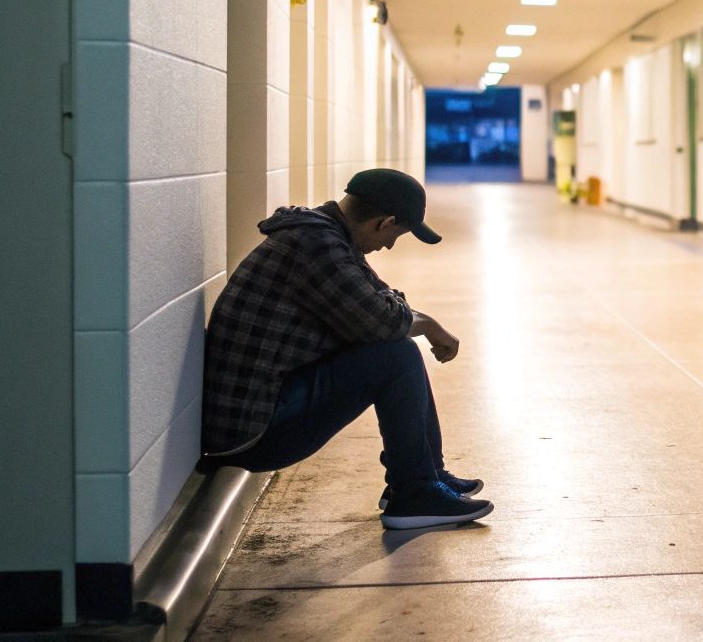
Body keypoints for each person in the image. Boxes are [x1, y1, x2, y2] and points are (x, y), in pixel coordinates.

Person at [200, 168, 491, 530]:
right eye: (395, 236)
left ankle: (423, 476)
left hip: (267, 404)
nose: (389, 247)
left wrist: (416, 320)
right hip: (253, 432)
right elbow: (382, 320)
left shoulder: (324, 235)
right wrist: (429, 326)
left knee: (396, 349)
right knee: (396, 355)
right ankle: (413, 493)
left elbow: (380, 301)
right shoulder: (315, 245)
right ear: (383, 222)